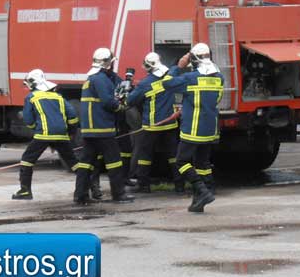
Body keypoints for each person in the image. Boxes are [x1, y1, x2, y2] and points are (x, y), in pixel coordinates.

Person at [163, 43, 224, 213]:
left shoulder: (190, 78)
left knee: (181, 161)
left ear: (194, 59)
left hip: (193, 128)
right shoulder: (219, 77)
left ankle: (202, 190)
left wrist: (178, 66)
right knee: (202, 164)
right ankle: (201, 199)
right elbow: (216, 99)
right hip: (210, 129)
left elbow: (167, 83)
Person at [74, 48, 135, 204]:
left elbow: (115, 85)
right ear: (108, 63)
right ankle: (119, 194)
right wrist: (121, 107)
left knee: (86, 163)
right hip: (103, 129)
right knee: (115, 162)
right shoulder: (101, 79)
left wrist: (124, 84)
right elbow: (108, 102)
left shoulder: (92, 78)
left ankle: (80, 195)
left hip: (89, 130)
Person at [12, 69, 80, 200]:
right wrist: (71, 132)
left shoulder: (31, 97)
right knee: (73, 162)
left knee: (27, 160)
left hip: (43, 135)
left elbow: (28, 119)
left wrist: (35, 128)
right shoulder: (58, 97)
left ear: (32, 84)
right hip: (61, 136)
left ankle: (25, 191)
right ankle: (89, 187)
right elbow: (72, 115)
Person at [127, 52, 184, 194]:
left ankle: (143, 185)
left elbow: (130, 101)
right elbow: (177, 68)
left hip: (151, 126)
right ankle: (179, 185)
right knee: (173, 156)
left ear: (147, 67)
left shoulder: (145, 84)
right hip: (170, 124)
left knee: (145, 156)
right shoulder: (170, 77)